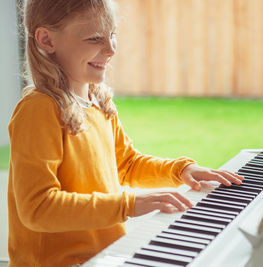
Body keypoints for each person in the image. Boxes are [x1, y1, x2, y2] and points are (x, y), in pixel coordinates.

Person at [7, 0, 243, 266]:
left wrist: (180, 171)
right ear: (46, 40)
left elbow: (126, 164)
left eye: (113, 35)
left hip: (102, 256)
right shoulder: (39, 109)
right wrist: (129, 204)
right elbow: (38, 209)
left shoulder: (97, 99)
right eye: (95, 38)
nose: (110, 50)